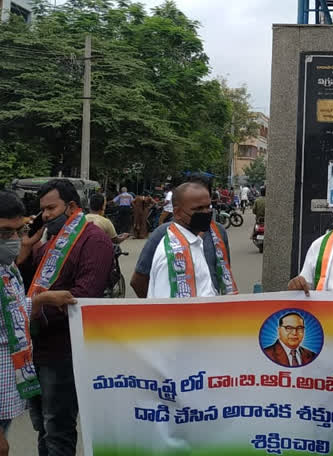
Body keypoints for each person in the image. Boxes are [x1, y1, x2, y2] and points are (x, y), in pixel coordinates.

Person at [16, 179, 113, 456]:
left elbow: (83, 296)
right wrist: (25, 249)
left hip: (63, 351)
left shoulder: (94, 240)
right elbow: (21, 287)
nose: (45, 215)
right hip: (34, 347)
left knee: (57, 426)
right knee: (43, 427)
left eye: (50, 208)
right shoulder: (49, 243)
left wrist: (37, 308)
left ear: (71, 206)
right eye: (42, 210)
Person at [0, 192, 77, 455]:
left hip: (8, 390)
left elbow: (14, 312)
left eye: (16, 231)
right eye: (4, 232)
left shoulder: (7, 267)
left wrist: (42, 300)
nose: (12, 239)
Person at [131, 179, 232, 299]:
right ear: (177, 212)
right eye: (198, 209)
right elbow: (167, 306)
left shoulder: (202, 240)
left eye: (208, 207)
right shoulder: (172, 252)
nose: (206, 213)